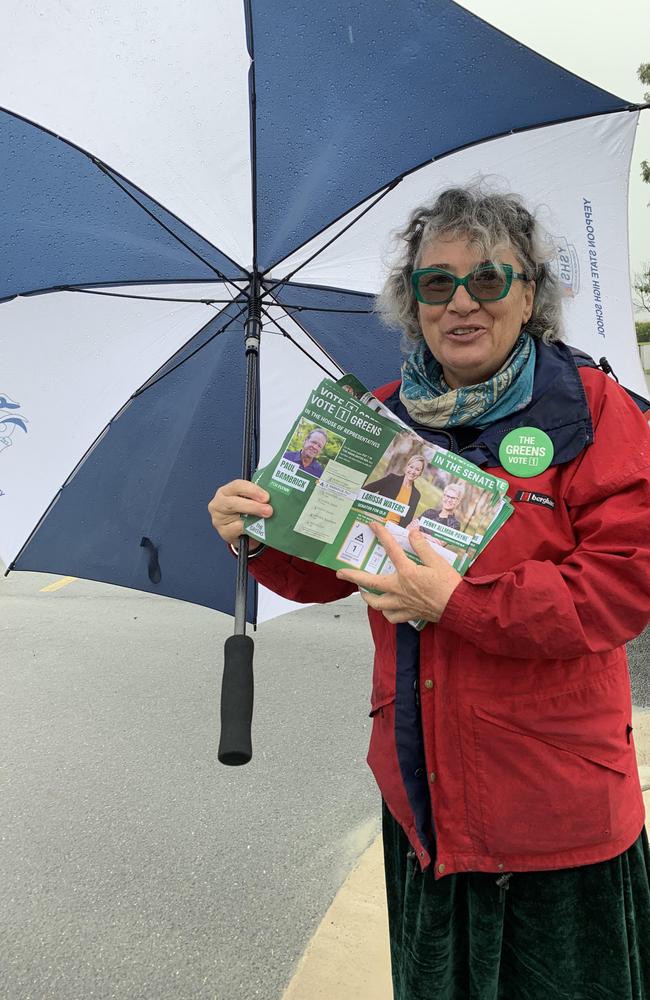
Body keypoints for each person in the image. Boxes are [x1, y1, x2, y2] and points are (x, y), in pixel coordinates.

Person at [208, 185, 650, 999]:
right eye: (436, 283)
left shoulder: (595, 412)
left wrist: (463, 603)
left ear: (529, 294)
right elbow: (321, 563)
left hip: (555, 815)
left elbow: (624, 585)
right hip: (426, 803)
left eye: (489, 279)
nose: (462, 302)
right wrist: (256, 530)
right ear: (412, 303)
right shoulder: (380, 423)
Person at [364, 453, 426, 527]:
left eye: (417, 469)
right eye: (411, 467)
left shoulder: (416, 495)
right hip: (377, 521)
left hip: (394, 528)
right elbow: (366, 490)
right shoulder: (391, 479)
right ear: (407, 467)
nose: (412, 471)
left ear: (420, 473)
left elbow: (407, 520)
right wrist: (372, 511)